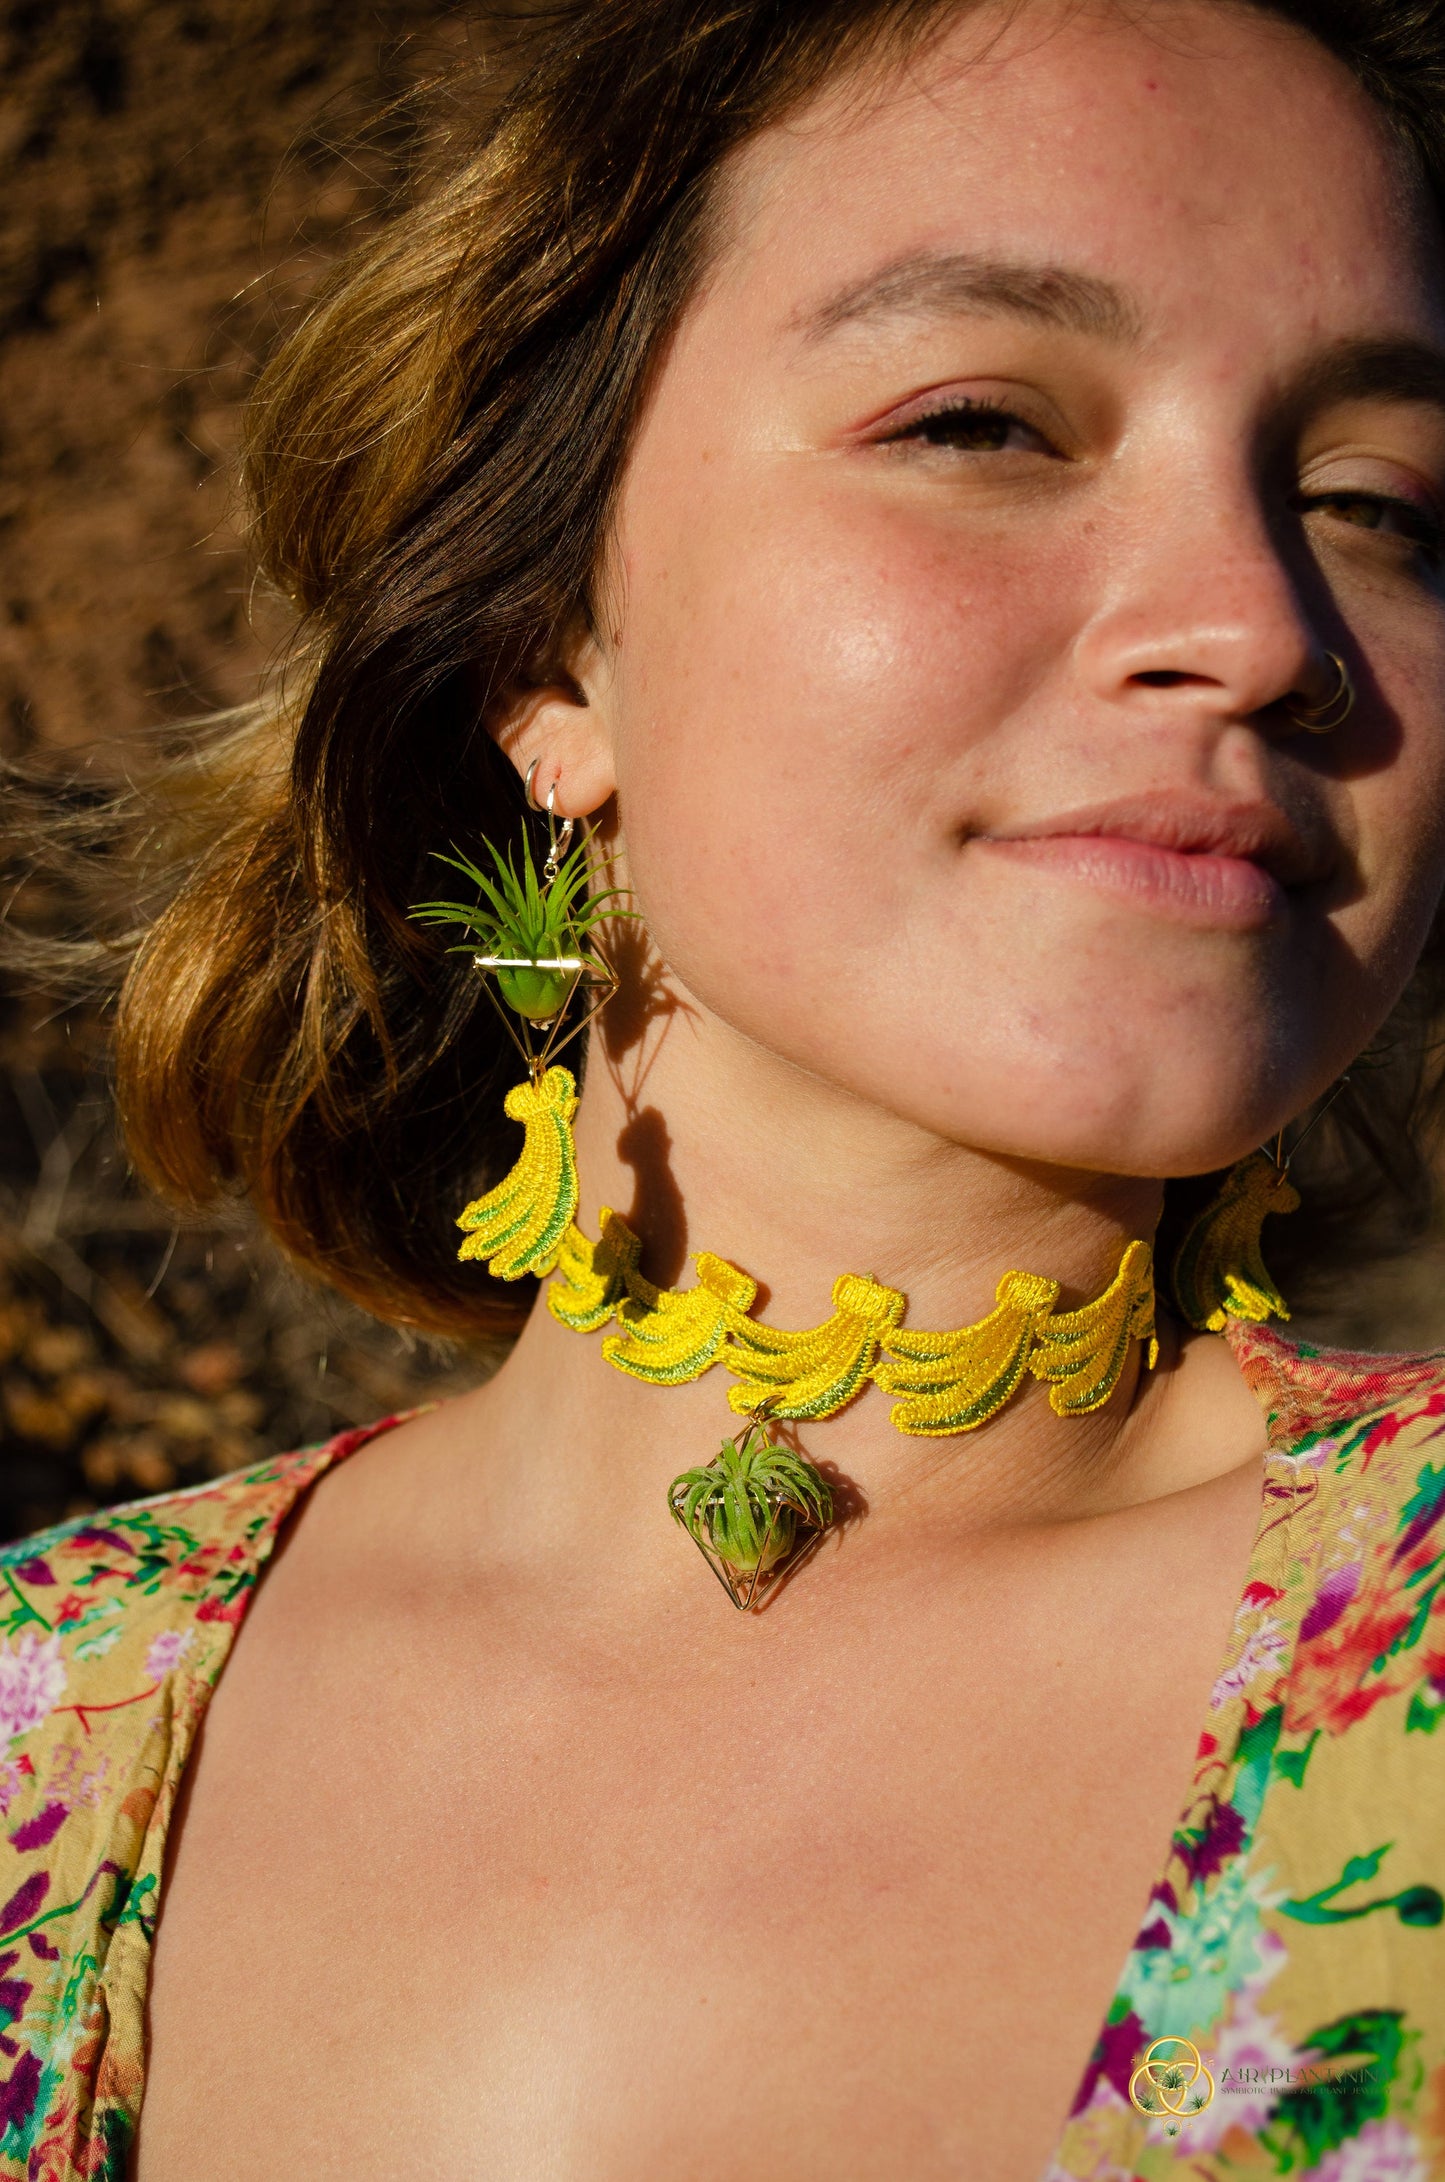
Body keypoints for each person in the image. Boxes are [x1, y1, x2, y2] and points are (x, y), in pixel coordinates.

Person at [2, 0, 1445, 2172]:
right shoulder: (43, 1716)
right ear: (546, 652)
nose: (1261, 624)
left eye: (1381, 503)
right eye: (981, 422)